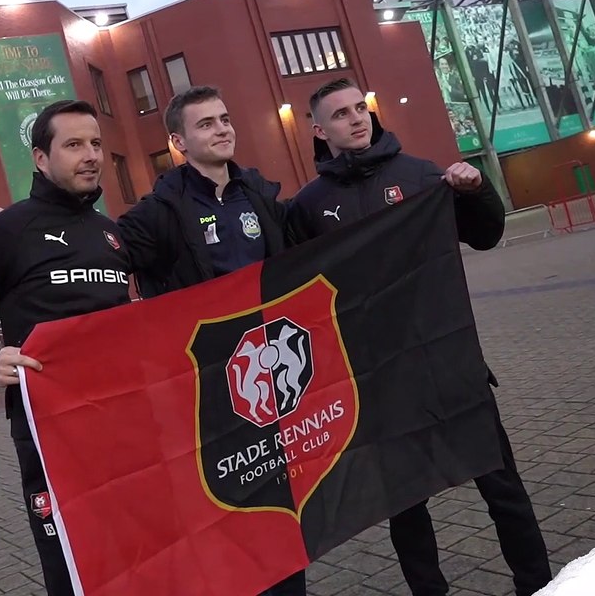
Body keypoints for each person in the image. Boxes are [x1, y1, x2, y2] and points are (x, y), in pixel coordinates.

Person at [287, 77, 552, 596]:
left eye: (360, 108)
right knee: (406, 510)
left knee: (502, 489)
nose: (356, 119)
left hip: (451, 364)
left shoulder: (422, 176)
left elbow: (486, 235)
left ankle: (539, 584)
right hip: (379, 381)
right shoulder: (309, 206)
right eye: (340, 114)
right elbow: (294, 293)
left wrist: (477, 189)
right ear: (319, 131)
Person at [0, 99, 132, 596]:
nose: (90, 155)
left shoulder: (111, 234)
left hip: (122, 420)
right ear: (41, 158)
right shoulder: (6, 232)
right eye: (74, 145)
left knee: (132, 546)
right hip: (48, 432)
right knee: (70, 559)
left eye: (95, 144)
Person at [117, 85, 306, 596]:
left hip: (270, 381)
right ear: (178, 142)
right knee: (228, 511)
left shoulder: (259, 196)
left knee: (279, 508)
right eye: (206, 124)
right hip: (204, 393)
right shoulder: (159, 214)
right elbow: (101, 265)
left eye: (224, 119)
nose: (222, 129)